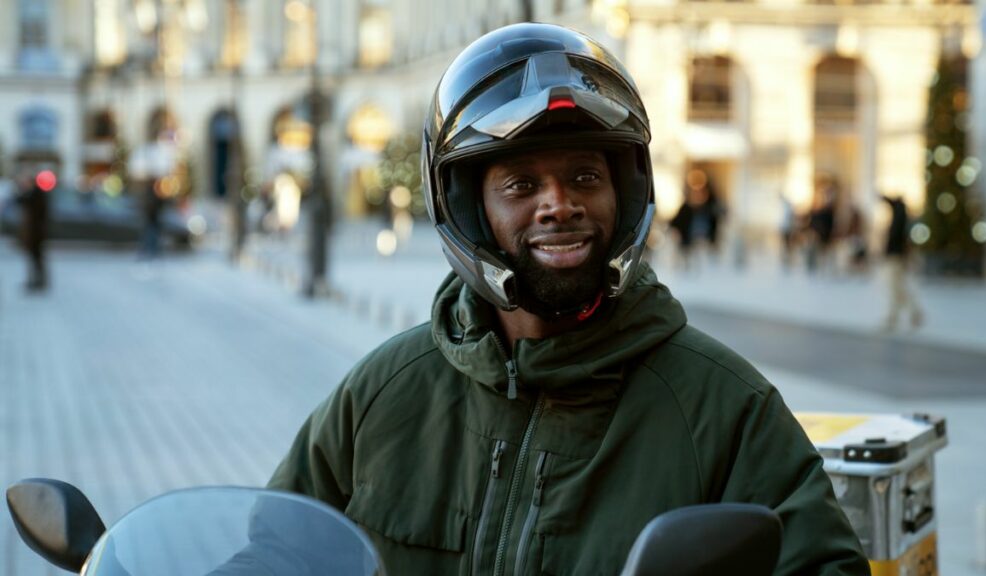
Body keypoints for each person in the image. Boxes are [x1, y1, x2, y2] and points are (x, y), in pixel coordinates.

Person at [269, 24, 869, 575]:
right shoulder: (382, 393)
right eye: (522, 185)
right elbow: (275, 549)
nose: (559, 204)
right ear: (468, 209)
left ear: (626, 194)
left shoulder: (724, 407)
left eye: (585, 178)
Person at [879, 193, 924, 330]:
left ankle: (897, 316)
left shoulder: (899, 217)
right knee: (898, 288)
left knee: (895, 288)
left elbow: (896, 238)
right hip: (896, 256)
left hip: (895, 256)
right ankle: (912, 313)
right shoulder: (901, 214)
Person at [15, 168, 50, 292]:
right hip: (33, 233)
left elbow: (23, 202)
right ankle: (35, 281)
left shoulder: (36, 194)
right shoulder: (32, 193)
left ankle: (39, 281)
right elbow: (18, 201)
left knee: (37, 258)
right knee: (34, 258)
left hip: (36, 233)